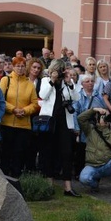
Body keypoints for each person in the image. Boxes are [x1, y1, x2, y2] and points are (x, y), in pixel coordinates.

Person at [39, 60, 81, 197]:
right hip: (49, 123)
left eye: (61, 70)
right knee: (48, 153)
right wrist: (52, 80)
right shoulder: (46, 80)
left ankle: (67, 188)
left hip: (64, 123)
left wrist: (70, 83)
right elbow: (43, 95)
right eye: (57, 70)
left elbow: (76, 97)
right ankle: (49, 185)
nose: (59, 73)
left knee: (67, 154)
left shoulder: (66, 82)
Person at [0, 56, 39, 178]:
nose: (20, 68)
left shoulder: (29, 84)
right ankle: (3, 179)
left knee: (19, 154)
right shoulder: (6, 80)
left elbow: (35, 103)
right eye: (17, 66)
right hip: (7, 123)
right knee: (5, 153)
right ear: (12, 66)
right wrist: (13, 109)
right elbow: (0, 99)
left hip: (23, 125)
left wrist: (24, 111)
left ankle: (16, 180)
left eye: (22, 66)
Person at [78, 107, 111, 198]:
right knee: (84, 179)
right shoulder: (90, 129)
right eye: (103, 116)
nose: (105, 118)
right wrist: (94, 110)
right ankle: (94, 184)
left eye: (107, 116)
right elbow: (80, 118)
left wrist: (104, 129)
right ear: (97, 117)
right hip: (92, 166)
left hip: (107, 165)